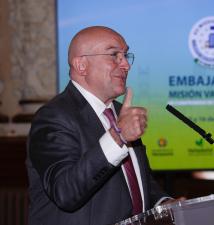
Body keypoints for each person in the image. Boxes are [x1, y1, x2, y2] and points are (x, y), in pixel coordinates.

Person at [26, 26, 171, 225]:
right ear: (81, 65)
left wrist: (164, 203)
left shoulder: (120, 112)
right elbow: (65, 192)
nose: (126, 65)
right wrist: (118, 136)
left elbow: (134, 181)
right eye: (114, 55)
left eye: (126, 55)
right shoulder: (53, 117)